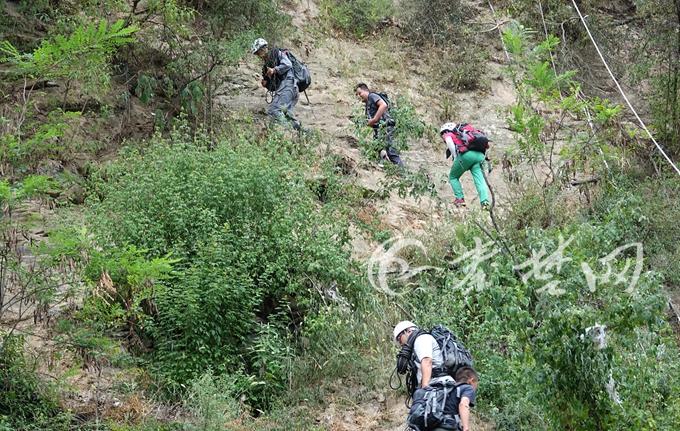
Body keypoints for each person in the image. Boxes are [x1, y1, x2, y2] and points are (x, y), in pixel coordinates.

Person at [251, 37, 301, 130]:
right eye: (257, 53)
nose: (259, 55)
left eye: (259, 51)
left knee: (274, 110)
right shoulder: (267, 64)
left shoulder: (276, 53)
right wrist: (266, 83)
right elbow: (273, 85)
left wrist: (275, 70)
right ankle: (302, 134)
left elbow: (288, 64)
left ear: (264, 48)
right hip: (288, 89)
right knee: (286, 115)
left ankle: (290, 131)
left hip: (288, 86)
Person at [440, 123, 490, 209]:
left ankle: (460, 199)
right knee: (480, 180)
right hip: (480, 156)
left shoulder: (448, 133)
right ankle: (485, 202)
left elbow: (448, 140)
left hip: (466, 156)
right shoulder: (467, 133)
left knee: (453, 177)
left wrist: (455, 156)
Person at [354, 83, 403, 166]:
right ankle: (385, 164)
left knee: (391, 150)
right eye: (357, 95)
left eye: (360, 93)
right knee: (377, 147)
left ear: (366, 90)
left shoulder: (372, 96)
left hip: (386, 126)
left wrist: (374, 119)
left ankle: (402, 173)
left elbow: (383, 105)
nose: (359, 96)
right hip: (379, 128)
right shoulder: (368, 103)